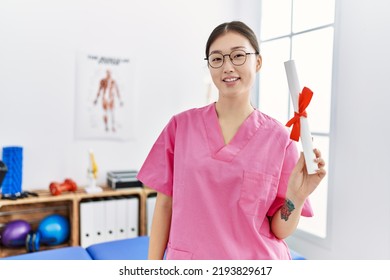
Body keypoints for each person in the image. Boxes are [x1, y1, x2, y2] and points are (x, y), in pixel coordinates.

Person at [137, 21, 326, 260]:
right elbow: (164, 206)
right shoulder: (180, 127)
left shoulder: (280, 139)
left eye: (238, 56)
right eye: (217, 59)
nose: (227, 67)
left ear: (257, 62)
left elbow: (280, 230)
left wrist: (296, 199)